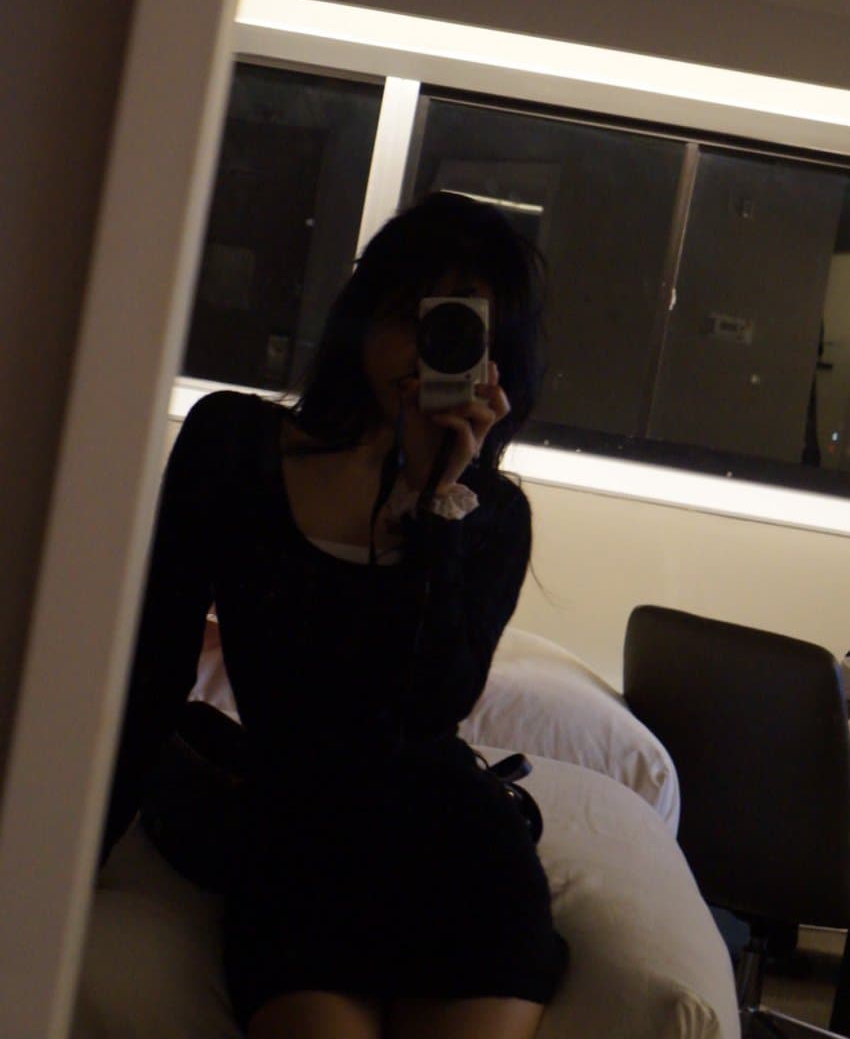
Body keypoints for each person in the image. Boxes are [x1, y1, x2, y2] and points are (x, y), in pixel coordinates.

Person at [101, 191, 567, 1039]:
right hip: (299, 854)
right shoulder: (234, 442)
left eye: (456, 329)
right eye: (408, 313)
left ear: (497, 360)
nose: (422, 346)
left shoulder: (488, 514)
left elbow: (431, 705)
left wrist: (435, 497)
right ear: (366, 313)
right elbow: (153, 661)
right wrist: (74, 853)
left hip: (461, 863)